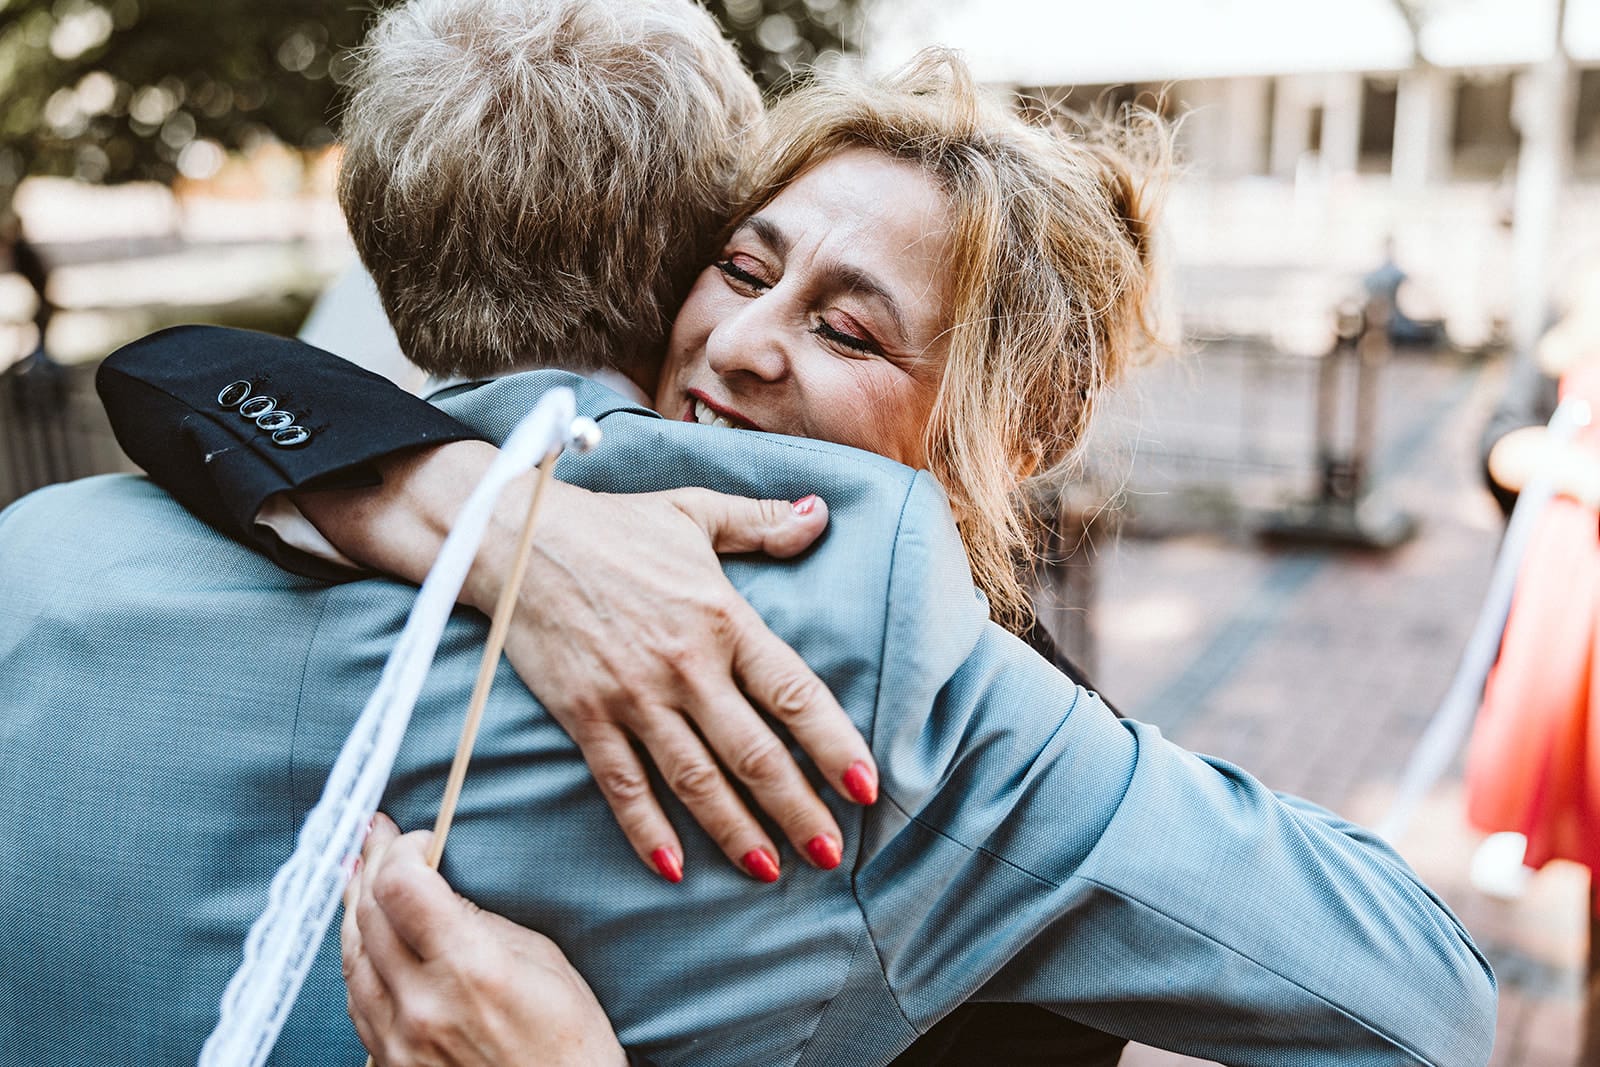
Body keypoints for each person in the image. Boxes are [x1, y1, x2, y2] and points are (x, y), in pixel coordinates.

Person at [5, 7, 1495, 1067]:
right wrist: (481, 512)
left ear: (1014, 434)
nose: (744, 339)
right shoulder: (483, 512)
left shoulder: (942, 707)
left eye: (846, 325)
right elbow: (191, 374)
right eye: (738, 264)